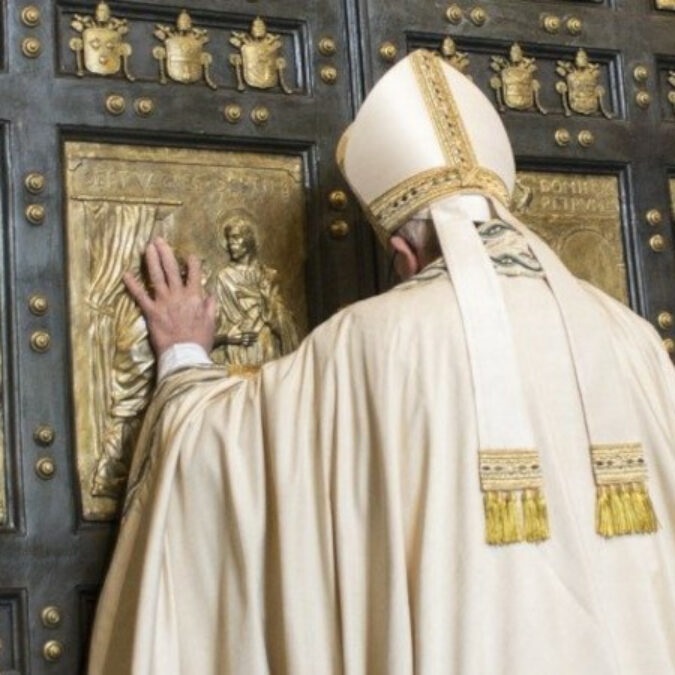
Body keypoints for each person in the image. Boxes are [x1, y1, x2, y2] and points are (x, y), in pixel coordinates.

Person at [88, 50, 675, 674]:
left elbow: (216, 457)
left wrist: (183, 355)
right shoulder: (634, 340)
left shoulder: (373, 341)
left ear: (401, 250)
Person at [211, 214, 298, 367]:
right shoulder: (224, 277)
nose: (231, 244)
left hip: (267, 346)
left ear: (249, 239)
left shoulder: (269, 275)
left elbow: (282, 319)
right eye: (229, 239)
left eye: (236, 238)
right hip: (238, 346)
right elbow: (218, 319)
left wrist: (267, 302)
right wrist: (229, 338)